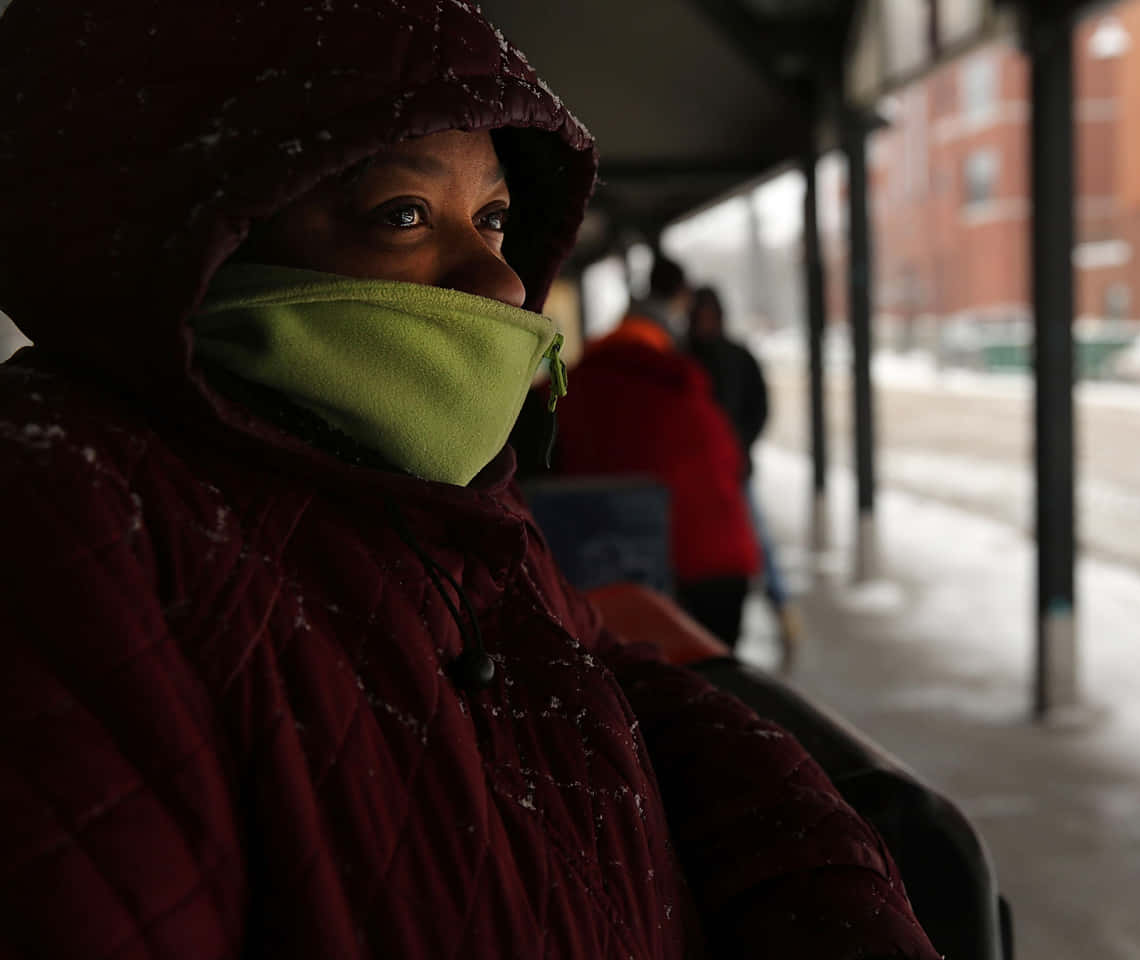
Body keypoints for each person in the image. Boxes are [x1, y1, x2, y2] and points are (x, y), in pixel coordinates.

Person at [0, 2, 940, 958]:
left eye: (492, 219)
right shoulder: (68, 520)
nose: (503, 285)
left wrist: (838, 887)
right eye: (404, 215)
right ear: (197, 237)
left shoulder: (451, 497)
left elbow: (609, 682)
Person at [552, 258, 762, 650]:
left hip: (641, 568)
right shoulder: (683, 385)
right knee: (711, 663)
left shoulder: (575, 397)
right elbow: (728, 456)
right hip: (713, 560)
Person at [685, 286, 800, 666]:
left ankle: (783, 608)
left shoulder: (726, 356)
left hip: (734, 471)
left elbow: (759, 407)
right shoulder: (686, 356)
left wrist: (738, 446)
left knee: (756, 539)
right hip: (704, 474)